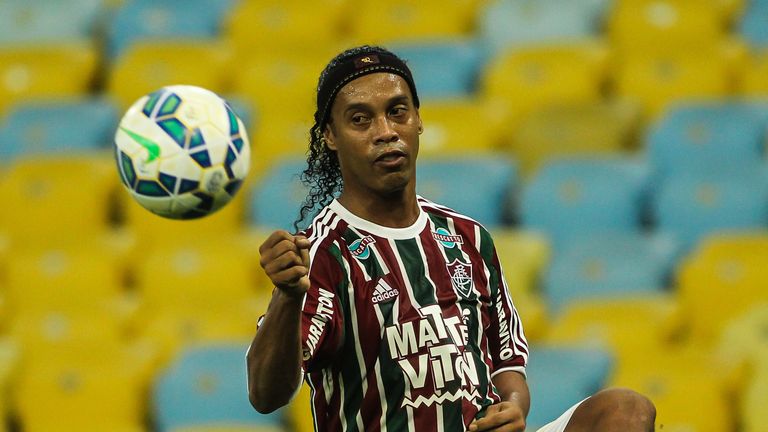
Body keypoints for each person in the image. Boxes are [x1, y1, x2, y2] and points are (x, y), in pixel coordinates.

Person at [246, 45, 656, 432]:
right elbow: (266, 394)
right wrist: (286, 296)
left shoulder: (468, 237)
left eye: (397, 112)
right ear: (331, 136)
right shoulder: (320, 252)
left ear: (419, 120)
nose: (385, 131)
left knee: (624, 411)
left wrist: (514, 406)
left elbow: (506, 365)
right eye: (360, 119)